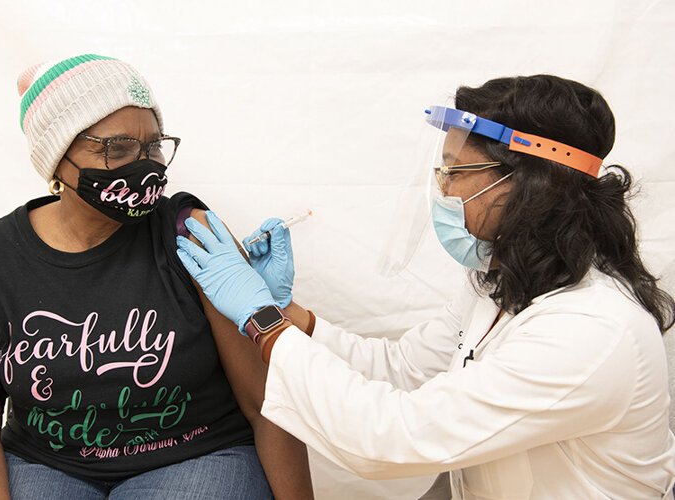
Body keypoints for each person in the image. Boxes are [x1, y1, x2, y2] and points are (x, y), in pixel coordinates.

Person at [176, 74, 675, 498]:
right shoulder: (501, 289)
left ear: (532, 183)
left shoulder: (591, 331)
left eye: (456, 172)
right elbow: (404, 369)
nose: (443, 190)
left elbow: (394, 438)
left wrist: (261, 321)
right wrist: (290, 314)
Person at [0, 54, 313, 499]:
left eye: (154, 146)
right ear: (57, 159)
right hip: (47, 463)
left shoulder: (190, 233)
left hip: (196, 455)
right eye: (116, 148)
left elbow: (265, 400)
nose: (145, 165)